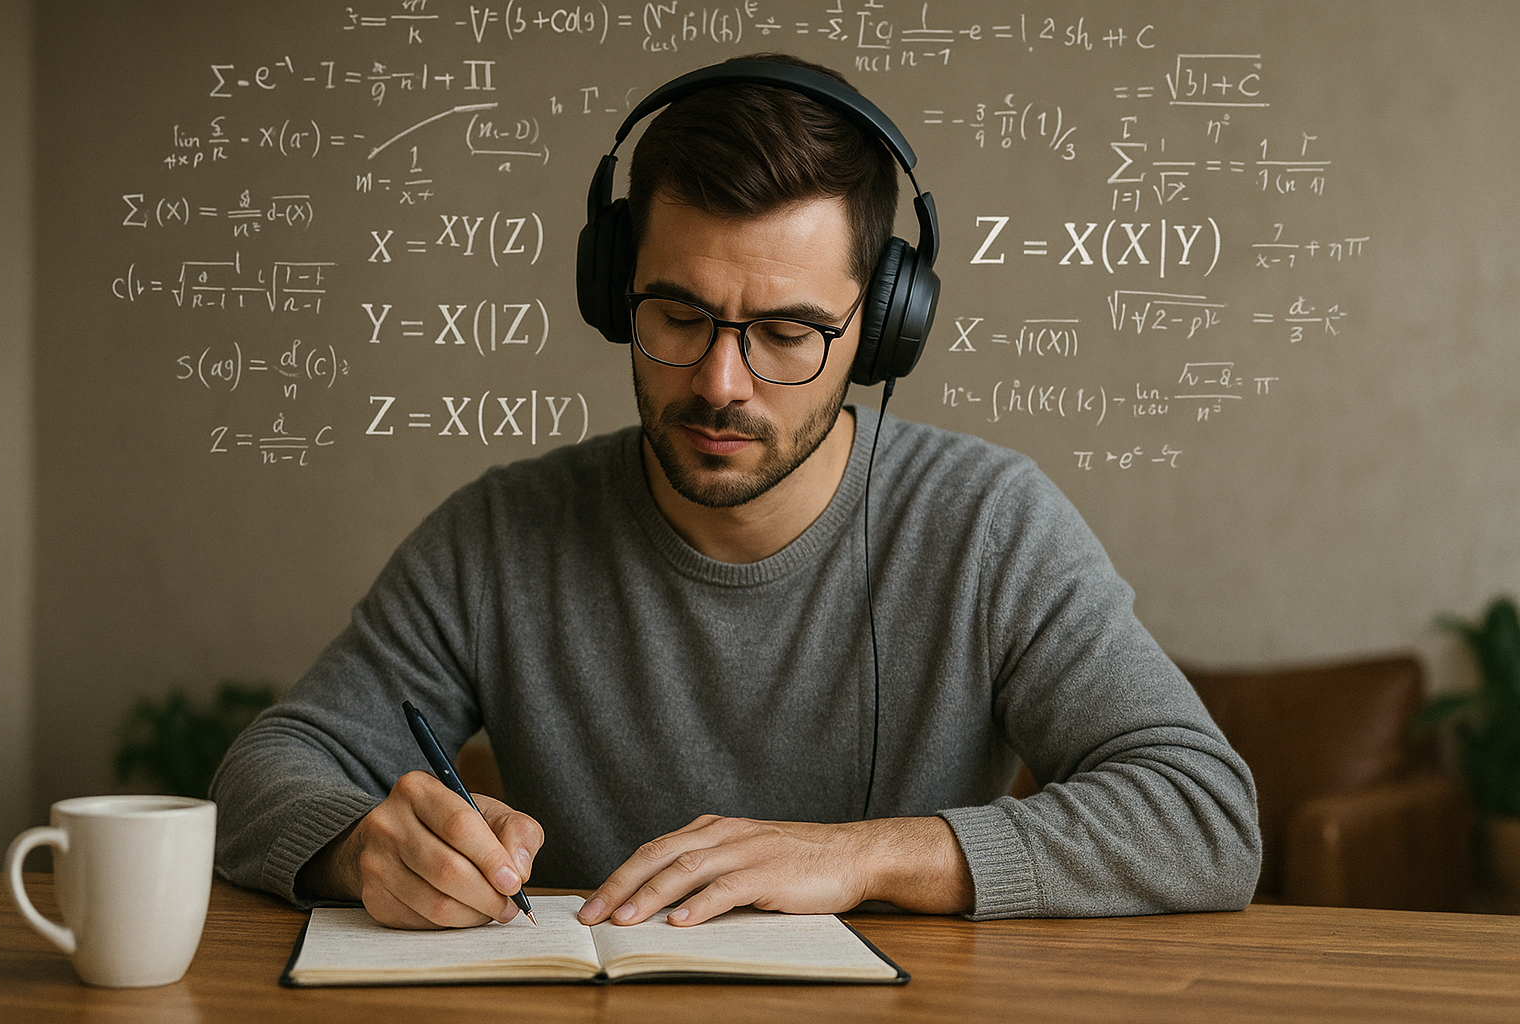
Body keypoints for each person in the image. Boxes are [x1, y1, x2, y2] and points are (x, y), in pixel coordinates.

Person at [212, 53, 1261, 931]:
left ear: (880, 329)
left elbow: (1205, 814)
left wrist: (864, 857)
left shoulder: (989, 522)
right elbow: (272, 765)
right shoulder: (499, 533)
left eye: (787, 334)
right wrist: (363, 848)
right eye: (678, 314)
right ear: (615, 291)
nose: (721, 383)